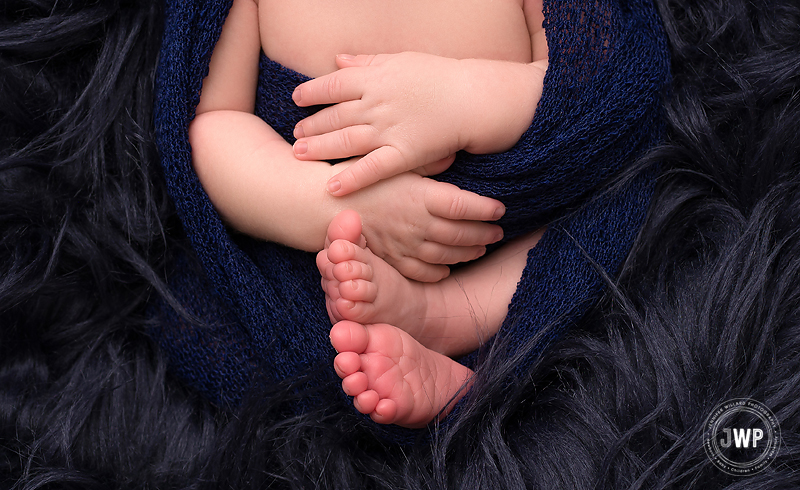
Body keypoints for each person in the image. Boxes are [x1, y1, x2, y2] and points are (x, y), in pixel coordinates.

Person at [187, 0, 552, 428]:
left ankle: (443, 319)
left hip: (512, 233)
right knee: (236, 323)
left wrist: (467, 94)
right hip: (316, 257)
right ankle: (399, 352)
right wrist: (336, 205)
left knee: (595, 224)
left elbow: (595, 85)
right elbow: (215, 121)